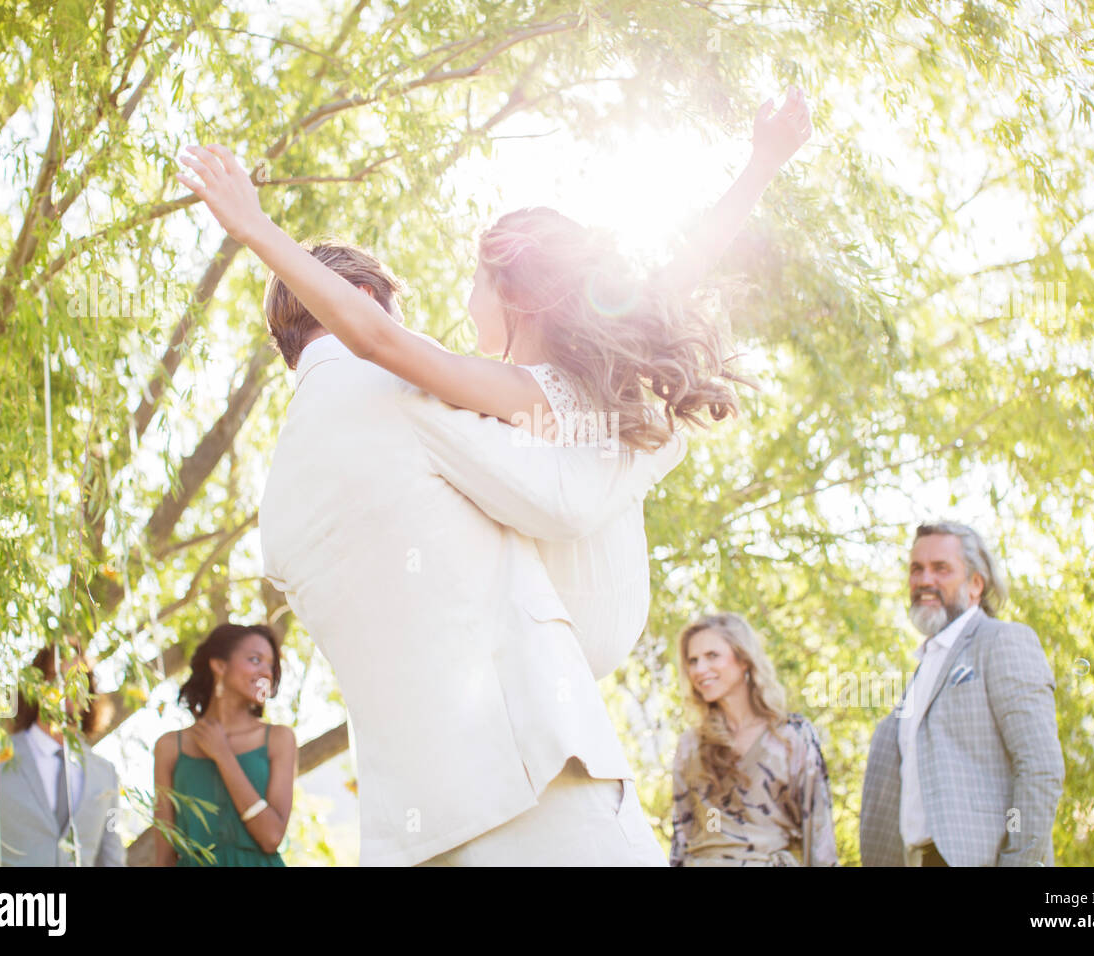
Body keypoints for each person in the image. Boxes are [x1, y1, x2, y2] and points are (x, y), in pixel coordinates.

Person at [175, 89, 812, 679]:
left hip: (561, 636)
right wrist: (761, 163)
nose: (464, 297)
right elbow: (686, 266)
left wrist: (255, 229)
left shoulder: (523, 389)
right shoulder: (594, 374)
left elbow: (377, 340)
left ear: (512, 292)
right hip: (590, 632)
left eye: (474, 280)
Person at [860, 522, 1064, 866]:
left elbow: (1039, 767)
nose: (925, 580)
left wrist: (1019, 861)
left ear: (975, 584)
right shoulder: (925, 668)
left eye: (941, 568)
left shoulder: (1002, 642)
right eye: (917, 569)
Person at [0, 644, 125, 866]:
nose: (69, 688)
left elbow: (112, 859)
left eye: (79, 679)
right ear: (36, 686)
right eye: (59, 677)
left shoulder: (106, 774)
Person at [670, 612, 837, 866]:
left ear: (743, 659)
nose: (699, 669)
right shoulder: (690, 745)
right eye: (692, 661)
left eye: (712, 656)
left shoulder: (792, 735)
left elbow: (819, 834)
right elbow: (682, 836)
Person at [152, 623, 294, 866]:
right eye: (255, 659)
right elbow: (164, 855)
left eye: (271, 665)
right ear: (219, 665)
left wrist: (223, 755)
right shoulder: (170, 746)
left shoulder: (279, 739)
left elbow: (272, 837)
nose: (267, 672)